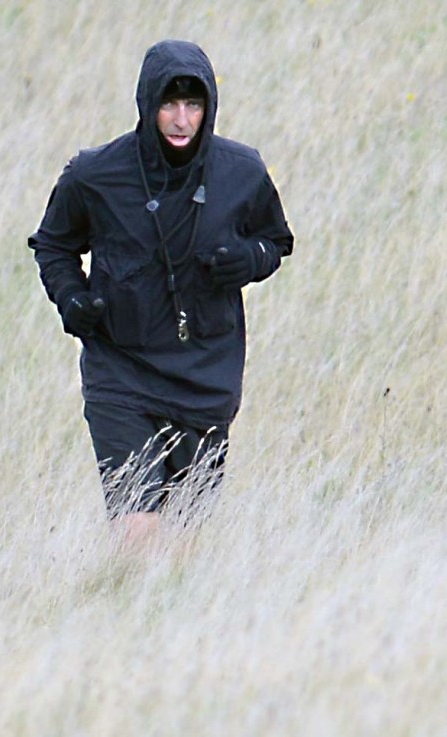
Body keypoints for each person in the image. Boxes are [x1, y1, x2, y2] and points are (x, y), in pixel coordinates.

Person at [28, 39, 293, 544]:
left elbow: (276, 241)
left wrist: (249, 260)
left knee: (186, 540)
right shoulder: (95, 175)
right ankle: (126, 617)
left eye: (193, 104)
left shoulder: (243, 172)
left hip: (206, 378)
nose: (180, 118)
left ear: (209, 107)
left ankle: (172, 621)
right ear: (147, 104)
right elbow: (53, 245)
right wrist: (72, 299)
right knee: (137, 529)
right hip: (120, 371)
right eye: (168, 103)